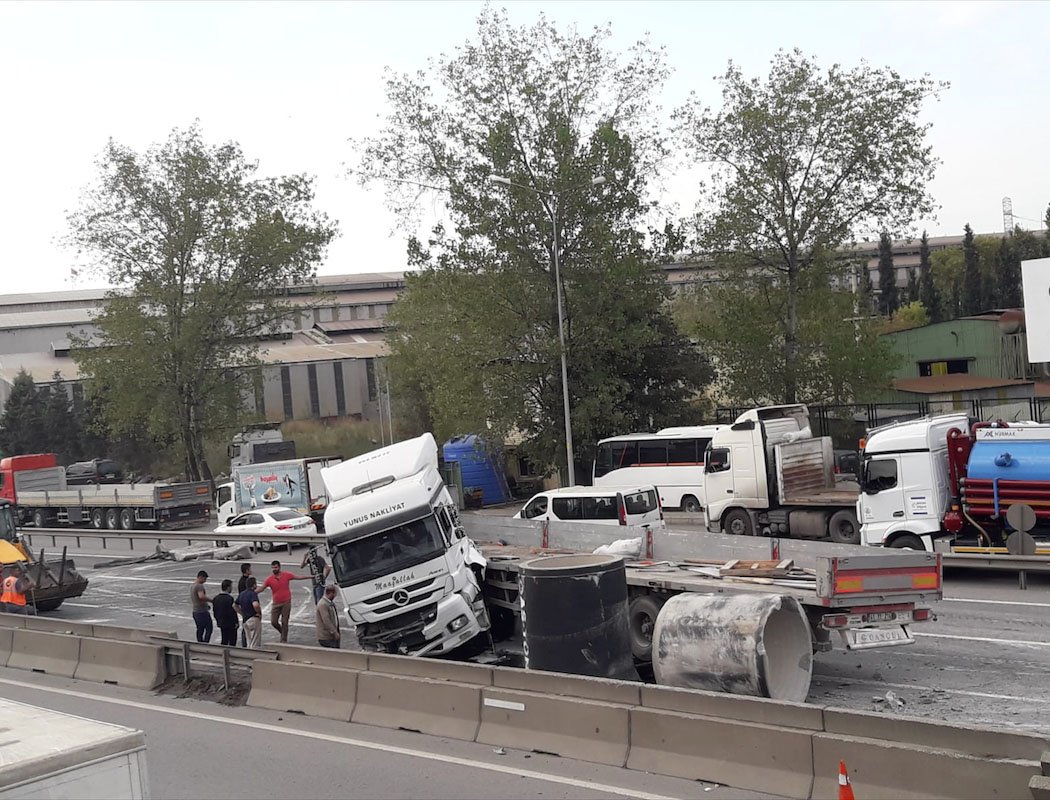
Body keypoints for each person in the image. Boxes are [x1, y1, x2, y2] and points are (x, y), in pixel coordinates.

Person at [258, 560, 310, 643]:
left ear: (279, 567)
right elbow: (262, 588)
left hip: (286, 602)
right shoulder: (269, 579)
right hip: (276, 603)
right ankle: (282, 632)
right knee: (274, 621)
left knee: (284, 621)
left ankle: (283, 639)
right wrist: (252, 593)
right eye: (273, 568)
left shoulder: (286, 575)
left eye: (275, 567)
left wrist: (310, 577)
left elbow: (298, 577)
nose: (274, 569)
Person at [236, 576, 262, 649]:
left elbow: (234, 605)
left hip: (245, 620)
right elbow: (256, 605)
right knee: (255, 641)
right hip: (253, 618)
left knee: (249, 640)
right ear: (253, 585)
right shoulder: (252, 594)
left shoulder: (242, 594)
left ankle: (248, 654)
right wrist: (259, 613)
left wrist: (241, 613)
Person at [212, 579, 239, 647]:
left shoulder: (216, 598)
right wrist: (236, 622)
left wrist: (218, 620)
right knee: (232, 641)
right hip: (230, 623)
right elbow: (232, 612)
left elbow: (215, 611)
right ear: (228, 587)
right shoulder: (229, 598)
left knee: (224, 639)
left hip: (221, 622)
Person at [315, 584, 340, 649]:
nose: (335, 596)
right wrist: (334, 632)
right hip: (326, 637)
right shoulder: (323, 604)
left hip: (332, 636)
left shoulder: (330, 603)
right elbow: (326, 620)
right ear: (331, 593)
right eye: (334, 594)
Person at [190, 570, 212, 643]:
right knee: (209, 627)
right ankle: (205, 643)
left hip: (195, 611)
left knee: (200, 629)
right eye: (204, 579)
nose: (205, 581)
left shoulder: (192, 585)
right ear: (200, 577)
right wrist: (211, 600)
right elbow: (201, 596)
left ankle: (199, 643)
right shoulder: (199, 586)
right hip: (202, 611)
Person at [237, 562, 253, 647]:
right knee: (246, 624)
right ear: (247, 570)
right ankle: (245, 643)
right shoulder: (244, 581)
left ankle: (246, 642)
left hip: (245, 605)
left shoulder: (244, 580)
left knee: (247, 624)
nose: (251, 570)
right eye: (250, 569)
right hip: (246, 606)